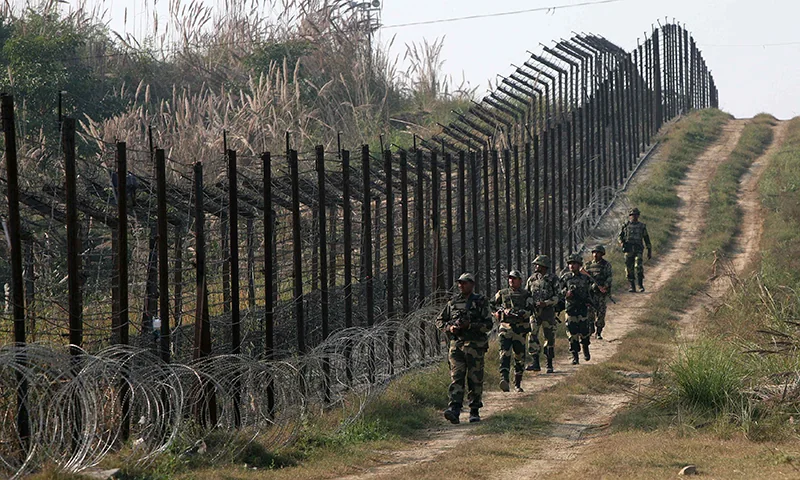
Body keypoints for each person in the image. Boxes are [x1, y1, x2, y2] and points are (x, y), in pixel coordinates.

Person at [436, 273, 493, 424]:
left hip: (475, 346)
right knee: (457, 377)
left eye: (465, 283)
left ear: (472, 284)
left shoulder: (480, 302)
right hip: (457, 346)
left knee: (475, 378)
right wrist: (450, 328)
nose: (461, 286)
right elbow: (439, 321)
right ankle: (454, 408)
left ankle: (474, 410)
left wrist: (471, 326)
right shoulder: (453, 303)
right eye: (460, 283)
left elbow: (488, 324)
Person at [490, 270, 534, 393]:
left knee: (519, 356)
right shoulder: (502, 293)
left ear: (520, 280)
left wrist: (520, 313)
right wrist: (498, 313)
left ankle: (518, 383)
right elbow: (491, 304)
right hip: (505, 327)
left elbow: (530, 310)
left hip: (520, 329)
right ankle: (504, 379)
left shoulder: (526, 295)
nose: (511, 280)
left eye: (514, 278)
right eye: (510, 278)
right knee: (504, 354)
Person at [525, 255, 562, 374]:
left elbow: (558, 296)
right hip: (535, 313)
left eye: (538, 265)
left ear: (544, 266)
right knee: (532, 336)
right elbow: (526, 294)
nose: (536, 267)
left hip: (548, 313)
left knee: (549, 337)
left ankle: (549, 364)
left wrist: (545, 303)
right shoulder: (532, 279)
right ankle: (535, 362)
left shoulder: (553, 279)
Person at [561, 253, 595, 365]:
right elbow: (558, 291)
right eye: (570, 264)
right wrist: (566, 293)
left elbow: (592, 289)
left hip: (582, 309)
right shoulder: (565, 278)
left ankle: (585, 347)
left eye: (574, 263)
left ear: (579, 265)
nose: (572, 266)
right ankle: (575, 356)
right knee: (572, 334)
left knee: (585, 332)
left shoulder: (585, 278)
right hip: (570, 309)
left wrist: (590, 302)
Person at [618, 207, 652, 292]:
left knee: (638, 266)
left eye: (636, 215)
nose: (634, 216)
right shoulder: (625, 226)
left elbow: (646, 238)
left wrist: (649, 250)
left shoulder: (641, 226)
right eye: (632, 215)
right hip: (628, 249)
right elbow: (620, 236)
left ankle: (640, 285)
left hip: (638, 249)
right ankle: (632, 286)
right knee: (629, 268)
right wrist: (621, 242)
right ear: (630, 216)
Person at [583, 245, 613, 340]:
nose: (595, 255)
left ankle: (599, 332)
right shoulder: (588, 265)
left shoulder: (606, 265)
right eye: (594, 252)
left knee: (601, 313)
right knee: (590, 312)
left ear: (602, 254)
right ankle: (591, 328)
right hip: (591, 293)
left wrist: (605, 286)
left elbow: (609, 277)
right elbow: (584, 278)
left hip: (601, 293)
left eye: (598, 253)